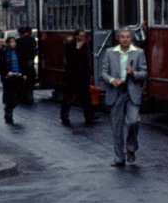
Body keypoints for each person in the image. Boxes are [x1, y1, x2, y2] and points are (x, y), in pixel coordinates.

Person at [100, 29, 147, 166]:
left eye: (127, 37)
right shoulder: (110, 53)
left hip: (132, 91)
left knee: (134, 121)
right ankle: (119, 158)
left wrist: (134, 73)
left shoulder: (139, 53)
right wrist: (112, 80)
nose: (125, 40)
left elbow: (144, 73)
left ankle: (131, 148)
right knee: (117, 126)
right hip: (116, 91)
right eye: (122, 37)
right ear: (118, 38)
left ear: (131, 38)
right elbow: (103, 73)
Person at [60, 29, 97, 127]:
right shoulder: (69, 45)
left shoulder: (84, 45)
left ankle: (89, 117)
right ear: (76, 36)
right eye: (81, 36)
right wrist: (77, 48)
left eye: (84, 36)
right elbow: (70, 60)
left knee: (86, 96)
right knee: (68, 96)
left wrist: (90, 73)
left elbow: (85, 60)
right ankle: (64, 116)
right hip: (72, 75)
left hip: (83, 75)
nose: (83, 38)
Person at [0, 35, 32, 125]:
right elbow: (0, 66)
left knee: (20, 95)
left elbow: (22, 64)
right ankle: (9, 112)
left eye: (14, 42)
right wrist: (6, 73)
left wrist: (24, 74)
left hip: (18, 76)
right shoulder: (4, 53)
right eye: (12, 42)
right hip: (9, 77)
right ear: (8, 43)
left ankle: (9, 108)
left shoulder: (18, 52)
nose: (14, 44)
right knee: (10, 96)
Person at [16, 26, 38, 101]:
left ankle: (22, 96)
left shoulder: (18, 40)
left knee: (22, 78)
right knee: (30, 78)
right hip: (29, 61)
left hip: (21, 61)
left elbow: (17, 52)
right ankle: (30, 95)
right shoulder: (32, 40)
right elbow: (34, 50)